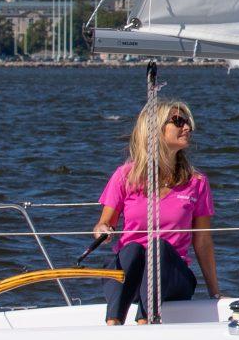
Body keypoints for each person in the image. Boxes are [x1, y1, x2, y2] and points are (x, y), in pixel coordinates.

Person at [94, 95, 221, 324]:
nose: (187, 127)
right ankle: (113, 321)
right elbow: (104, 224)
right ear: (155, 129)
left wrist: (215, 294)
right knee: (132, 250)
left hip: (173, 278)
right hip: (130, 275)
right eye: (178, 121)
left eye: (187, 122)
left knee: (158, 248)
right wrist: (103, 230)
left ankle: (145, 320)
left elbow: (202, 241)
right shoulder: (125, 176)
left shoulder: (196, 182)